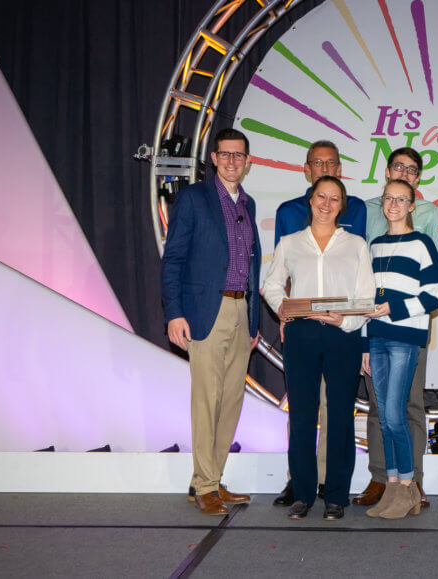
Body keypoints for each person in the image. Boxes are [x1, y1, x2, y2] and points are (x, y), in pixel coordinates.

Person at [161, 128, 260, 516]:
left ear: (248, 162)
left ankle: (211, 480)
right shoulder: (192, 199)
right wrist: (174, 312)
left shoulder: (247, 204)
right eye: (226, 154)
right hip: (205, 311)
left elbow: (251, 263)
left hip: (240, 311)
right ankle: (204, 485)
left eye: (240, 155)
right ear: (214, 159)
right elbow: (173, 260)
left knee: (231, 401)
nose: (233, 161)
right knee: (207, 400)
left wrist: (253, 321)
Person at [263, 175, 375, 521]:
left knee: (340, 416)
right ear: (310, 200)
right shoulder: (290, 242)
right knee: (301, 416)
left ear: (343, 205)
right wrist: (283, 307)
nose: (326, 204)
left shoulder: (356, 244)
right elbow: (270, 284)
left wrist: (346, 322)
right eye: (321, 197)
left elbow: (366, 296)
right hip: (302, 335)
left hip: (343, 335)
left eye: (335, 199)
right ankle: (302, 493)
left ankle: (337, 495)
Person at [354, 147, 438, 510]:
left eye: (401, 199)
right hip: (376, 338)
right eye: (389, 198)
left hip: (406, 336)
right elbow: (365, 296)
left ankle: (409, 485)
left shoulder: (422, 239)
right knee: (383, 411)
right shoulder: (374, 244)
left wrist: (398, 307)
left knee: (401, 410)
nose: (393, 203)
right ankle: (389, 484)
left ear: (412, 203)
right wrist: (362, 340)